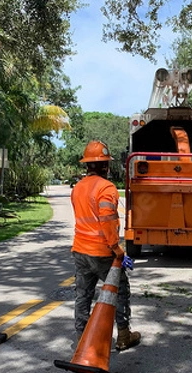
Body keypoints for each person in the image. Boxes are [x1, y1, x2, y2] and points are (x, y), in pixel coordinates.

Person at [71, 140, 141, 351]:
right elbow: (108, 221)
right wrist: (117, 251)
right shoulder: (106, 188)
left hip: (80, 251)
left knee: (83, 295)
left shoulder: (77, 188)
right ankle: (123, 335)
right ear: (105, 166)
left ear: (87, 166)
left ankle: (82, 340)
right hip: (102, 252)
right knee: (120, 291)